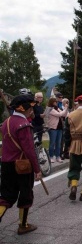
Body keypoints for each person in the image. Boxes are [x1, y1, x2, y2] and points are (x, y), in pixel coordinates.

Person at [0, 94, 42, 235]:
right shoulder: (24, 125)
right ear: (23, 108)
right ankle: (23, 225)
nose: (32, 111)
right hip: (22, 165)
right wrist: (37, 169)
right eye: (30, 108)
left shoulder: (6, 122)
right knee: (25, 194)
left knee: (6, 196)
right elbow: (29, 150)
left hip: (6, 164)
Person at [46, 97, 68, 163]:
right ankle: (51, 156)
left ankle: (58, 156)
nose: (56, 102)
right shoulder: (50, 109)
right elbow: (59, 114)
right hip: (53, 128)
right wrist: (66, 108)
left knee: (58, 143)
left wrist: (65, 109)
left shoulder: (57, 108)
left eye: (56, 101)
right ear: (52, 102)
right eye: (55, 101)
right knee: (52, 143)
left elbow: (64, 114)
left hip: (59, 128)